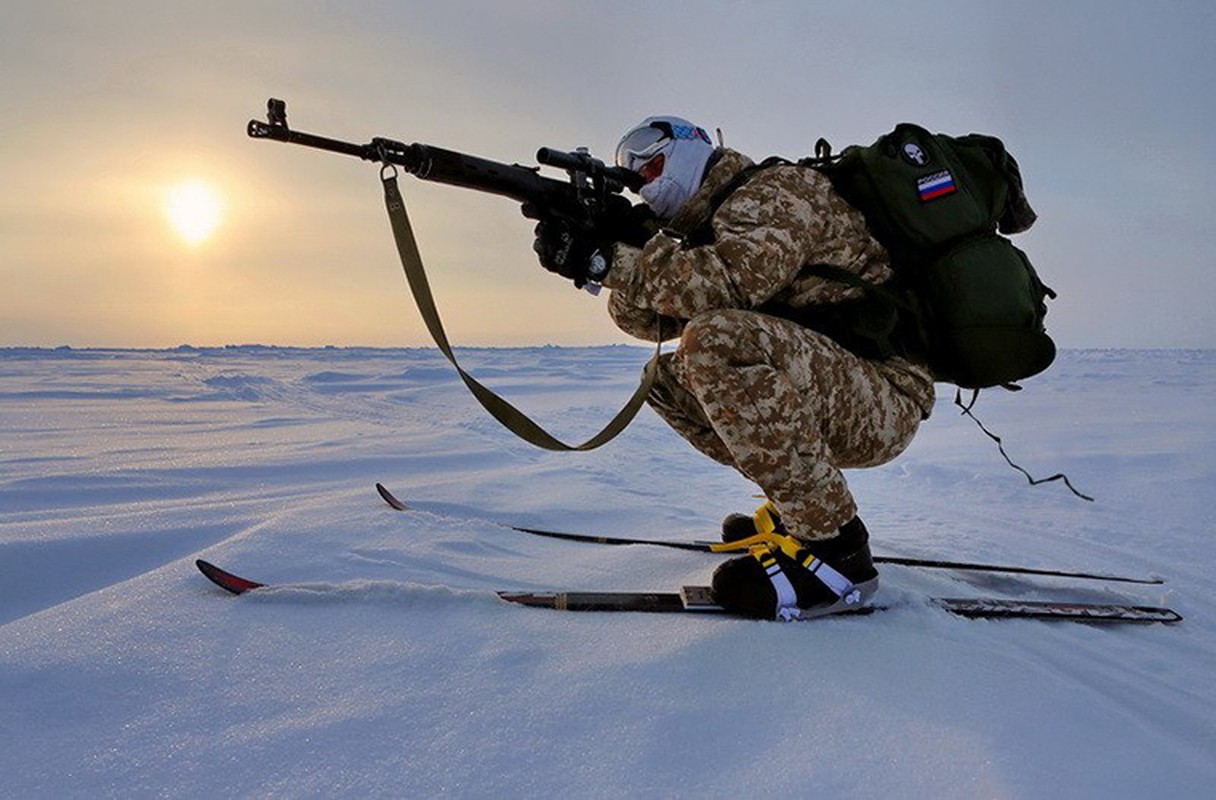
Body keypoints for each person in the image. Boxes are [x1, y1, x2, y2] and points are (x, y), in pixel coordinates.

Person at [531, 116, 936, 621]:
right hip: (833, 383)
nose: (644, 181)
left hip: (882, 394)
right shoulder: (704, 230)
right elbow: (642, 319)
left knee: (717, 342)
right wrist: (616, 241)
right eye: (633, 174)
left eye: (652, 163)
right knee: (665, 378)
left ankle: (837, 553)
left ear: (691, 150)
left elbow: (731, 285)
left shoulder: (778, 190)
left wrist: (606, 261)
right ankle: (801, 513)